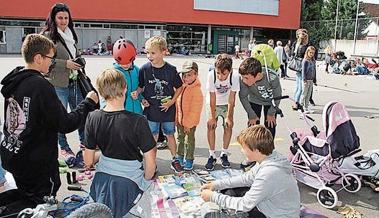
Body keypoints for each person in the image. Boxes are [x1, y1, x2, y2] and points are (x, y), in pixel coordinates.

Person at [0, 34, 98, 216]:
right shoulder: (41, 85)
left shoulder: (15, 81)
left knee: (25, 195)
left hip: (14, 153)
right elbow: (65, 124)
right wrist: (88, 103)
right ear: (38, 58)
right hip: (36, 163)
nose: (52, 63)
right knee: (41, 206)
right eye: (51, 59)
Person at [84, 69, 156, 217]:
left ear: (101, 92)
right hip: (130, 182)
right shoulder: (138, 121)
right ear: (125, 88)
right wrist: (146, 180)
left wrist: (103, 155)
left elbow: (88, 160)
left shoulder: (92, 117)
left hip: (101, 182)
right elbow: (150, 162)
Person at [200, 125, 300, 218]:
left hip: (276, 215)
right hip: (269, 208)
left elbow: (245, 205)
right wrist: (215, 184)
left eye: (243, 148)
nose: (242, 151)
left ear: (256, 150)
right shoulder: (267, 157)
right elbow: (246, 178)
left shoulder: (269, 173)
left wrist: (213, 197)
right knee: (227, 190)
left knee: (225, 201)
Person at [41, 3, 86, 168]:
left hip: (75, 81)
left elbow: (76, 53)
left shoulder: (70, 34)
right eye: (60, 17)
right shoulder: (47, 36)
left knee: (82, 112)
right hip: (57, 82)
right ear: (53, 18)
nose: (63, 21)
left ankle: (85, 145)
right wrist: (65, 64)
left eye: (66, 18)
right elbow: (44, 60)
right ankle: (65, 148)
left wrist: (80, 60)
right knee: (60, 117)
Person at [131, 36, 184, 173]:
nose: (149, 56)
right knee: (152, 137)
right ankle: (151, 163)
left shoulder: (171, 70)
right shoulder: (144, 69)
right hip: (151, 110)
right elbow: (141, 87)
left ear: (163, 52)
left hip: (168, 110)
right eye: (147, 52)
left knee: (170, 135)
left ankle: (175, 159)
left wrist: (172, 102)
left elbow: (179, 87)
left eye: (153, 53)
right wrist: (138, 95)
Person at [205, 54, 240, 171]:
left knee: (228, 126)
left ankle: (224, 153)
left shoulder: (234, 76)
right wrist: (212, 116)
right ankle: (212, 155)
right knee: (211, 126)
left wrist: (229, 116)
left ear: (229, 71)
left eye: (223, 74)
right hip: (213, 102)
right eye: (218, 73)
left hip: (226, 103)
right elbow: (212, 96)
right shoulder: (211, 75)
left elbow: (232, 98)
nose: (220, 77)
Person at [238, 57, 282, 138]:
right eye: (242, 77)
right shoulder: (243, 79)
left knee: (270, 125)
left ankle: (269, 149)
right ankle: (252, 148)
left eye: (246, 78)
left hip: (270, 101)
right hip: (254, 99)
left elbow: (278, 96)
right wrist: (251, 114)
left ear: (258, 75)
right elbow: (243, 97)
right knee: (253, 126)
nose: (243, 80)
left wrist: (271, 113)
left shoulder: (272, 77)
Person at [176, 60, 203, 170]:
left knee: (189, 141)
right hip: (180, 120)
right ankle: (179, 156)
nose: (186, 78)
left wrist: (188, 124)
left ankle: (189, 159)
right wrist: (176, 119)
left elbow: (195, 110)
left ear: (196, 74)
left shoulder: (196, 91)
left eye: (189, 75)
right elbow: (178, 104)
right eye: (184, 75)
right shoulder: (182, 87)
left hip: (190, 123)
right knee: (180, 139)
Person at [111, 38, 144, 114]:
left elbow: (140, 87)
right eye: (122, 63)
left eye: (128, 62)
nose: (125, 65)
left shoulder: (137, 70)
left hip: (137, 112)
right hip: (121, 113)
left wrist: (142, 98)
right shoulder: (113, 73)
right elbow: (106, 95)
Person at [291, 28, 309, 110]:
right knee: (301, 88)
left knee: (298, 86)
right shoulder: (304, 47)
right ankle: (296, 103)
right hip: (302, 67)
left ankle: (295, 102)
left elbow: (292, 54)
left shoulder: (296, 44)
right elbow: (306, 57)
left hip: (297, 66)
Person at [301, 46, 317, 114]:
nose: (311, 54)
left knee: (309, 94)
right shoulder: (305, 61)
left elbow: (314, 70)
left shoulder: (313, 61)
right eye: (310, 52)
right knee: (304, 94)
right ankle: (301, 107)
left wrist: (315, 79)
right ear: (307, 52)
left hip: (311, 80)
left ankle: (306, 107)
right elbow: (303, 71)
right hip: (306, 80)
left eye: (313, 53)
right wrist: (304, 79)